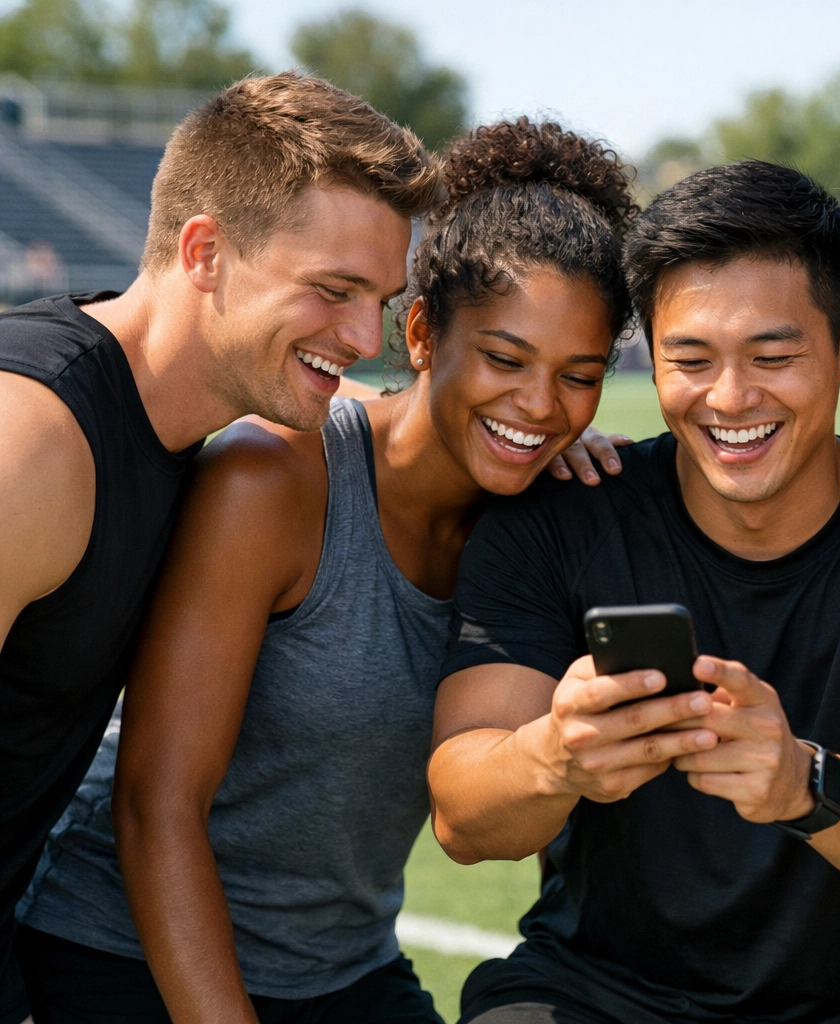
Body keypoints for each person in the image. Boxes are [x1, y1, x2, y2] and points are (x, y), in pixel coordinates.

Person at [13, 119, 636, 1023]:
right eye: (505, 359)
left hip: (343, 971)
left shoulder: (552, 521)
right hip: (123, 948)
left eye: (579, 377)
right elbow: (157, 808)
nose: (540, 406)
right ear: (421, 334)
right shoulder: (274, 478)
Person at [426, 160, 840, 1024]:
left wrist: (801, 779)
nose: (730, 397)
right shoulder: (555, 520)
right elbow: (462, 816)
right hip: (589, 993)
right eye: (691, 359)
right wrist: (552, 756)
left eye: (772, 355)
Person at [0, 72, 439, 1024]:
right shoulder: (30, 445)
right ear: (206, 251)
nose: (365, 337)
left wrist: (522, 423)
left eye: (380, 299)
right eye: (333, 291)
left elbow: (377, 409)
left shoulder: (168, 396)